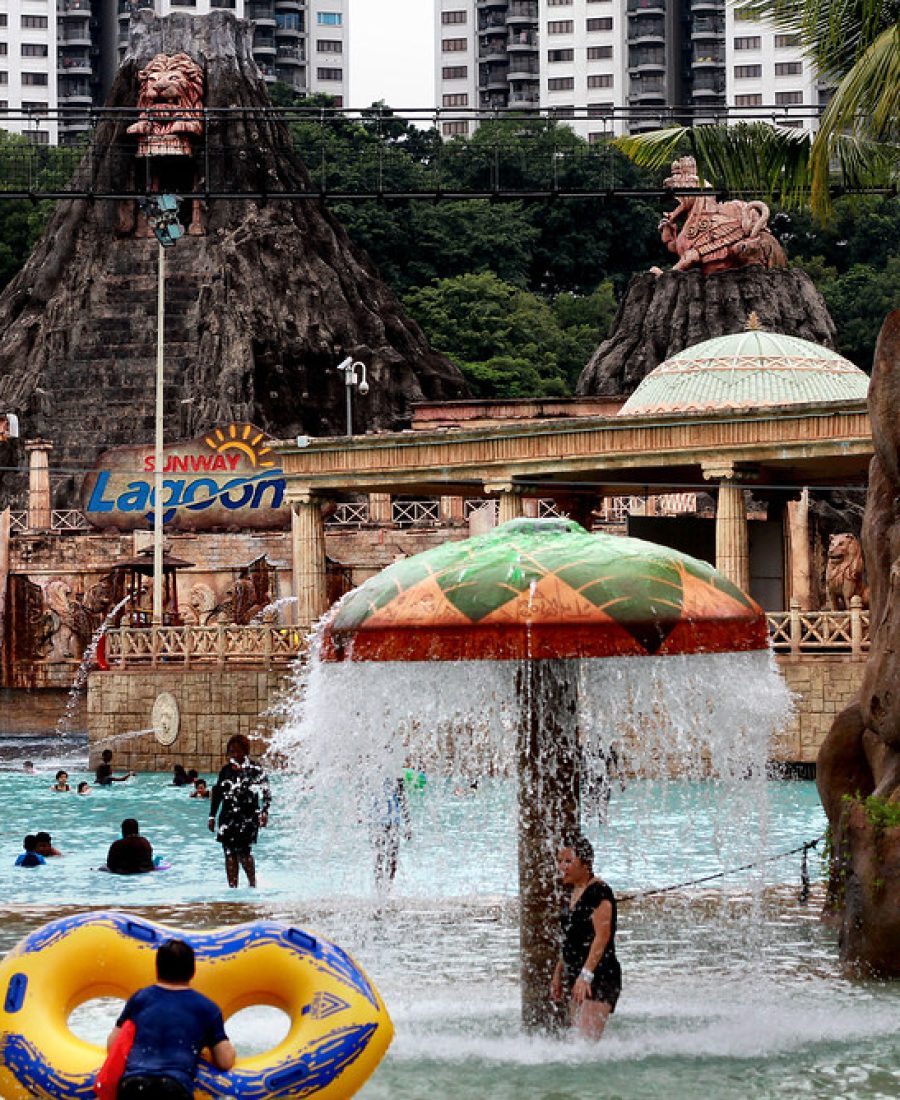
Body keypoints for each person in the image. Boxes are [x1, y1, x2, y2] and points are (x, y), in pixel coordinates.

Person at [107, 938, 235, 1099]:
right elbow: (225, 1061)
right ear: (193, 971)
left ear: (157, 969)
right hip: (173, 1086)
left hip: (133, 1084)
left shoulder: (140, 998)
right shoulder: (207, 1008)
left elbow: (113, 1045)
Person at [550, 835, 621, 1041]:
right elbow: (569, 939)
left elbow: (602, 937)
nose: (562, 867)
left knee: (586, 1045)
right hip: (576, 976)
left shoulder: (599, 892)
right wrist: (558, 973)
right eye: (560, 861)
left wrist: (586, 976)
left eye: (568, 862)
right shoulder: (572, 893)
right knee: (577, 1042)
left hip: (599, 976)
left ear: (586, 864)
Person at [208, 735, 271, 888]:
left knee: (244, 852)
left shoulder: (255, 770)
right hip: (228, 816)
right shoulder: (226, 771)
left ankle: (252, 884)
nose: (234, 755)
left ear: (245, 752)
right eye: (231, 752)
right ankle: (232, 888)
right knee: (229, 852)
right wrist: (212, 816)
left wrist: (264, 812)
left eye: (237, 752)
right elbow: (217, 795)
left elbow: (266, 793)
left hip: (248, 817)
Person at [368, 776, 411, 891]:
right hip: (379, 821)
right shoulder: (374, 774)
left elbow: (402, 799)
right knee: (381, 856)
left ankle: (387, 887)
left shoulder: (396, 775)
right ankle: (380, 887)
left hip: (391, 821)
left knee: (390, 856)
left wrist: (407, 823)